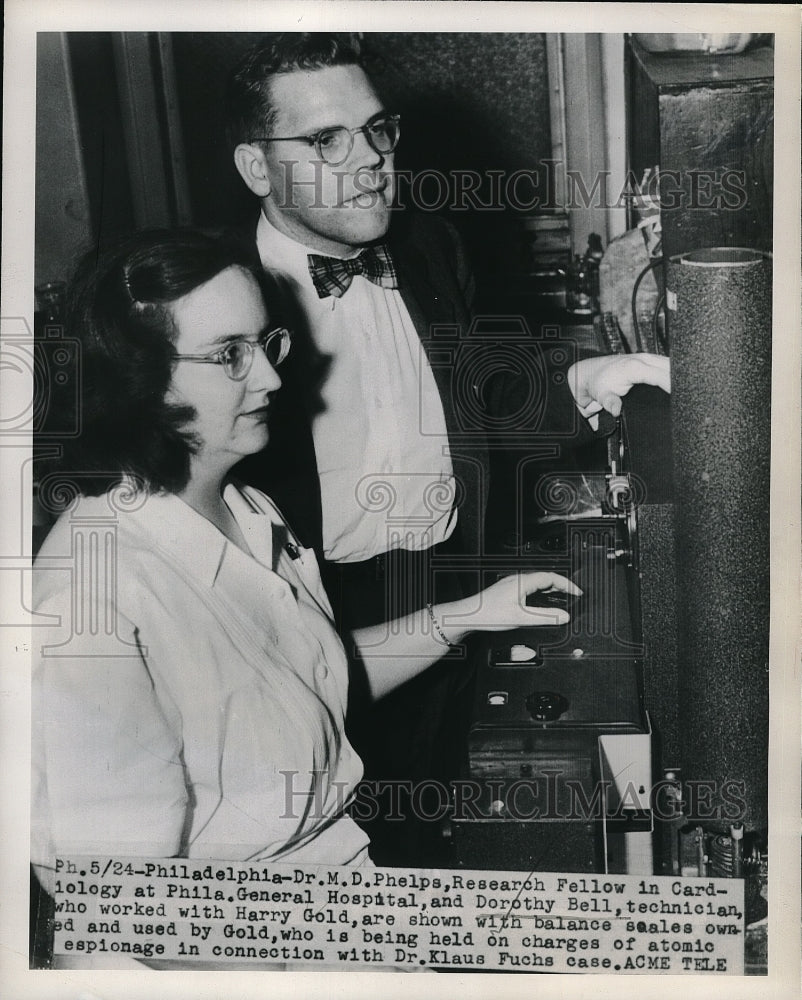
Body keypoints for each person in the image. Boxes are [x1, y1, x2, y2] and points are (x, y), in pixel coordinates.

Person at [31, 229, 582, 968]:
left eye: (266, 344)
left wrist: (471, 613)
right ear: (139, 377)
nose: (270, 380)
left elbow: (311, 682)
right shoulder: (89, 595)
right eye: (229, 355)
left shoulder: (247, 508)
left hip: (340, 897)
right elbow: (112, 922)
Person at [224, 32, 671, 864]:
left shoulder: (428, 245)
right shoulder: (215, 290)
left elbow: (483, 396)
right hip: (309, 617)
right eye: (326, 140)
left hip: (451, 593)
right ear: (257, 168)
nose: (369, 161)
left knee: (432, 843)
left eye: (377, 130)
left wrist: (588, 375)